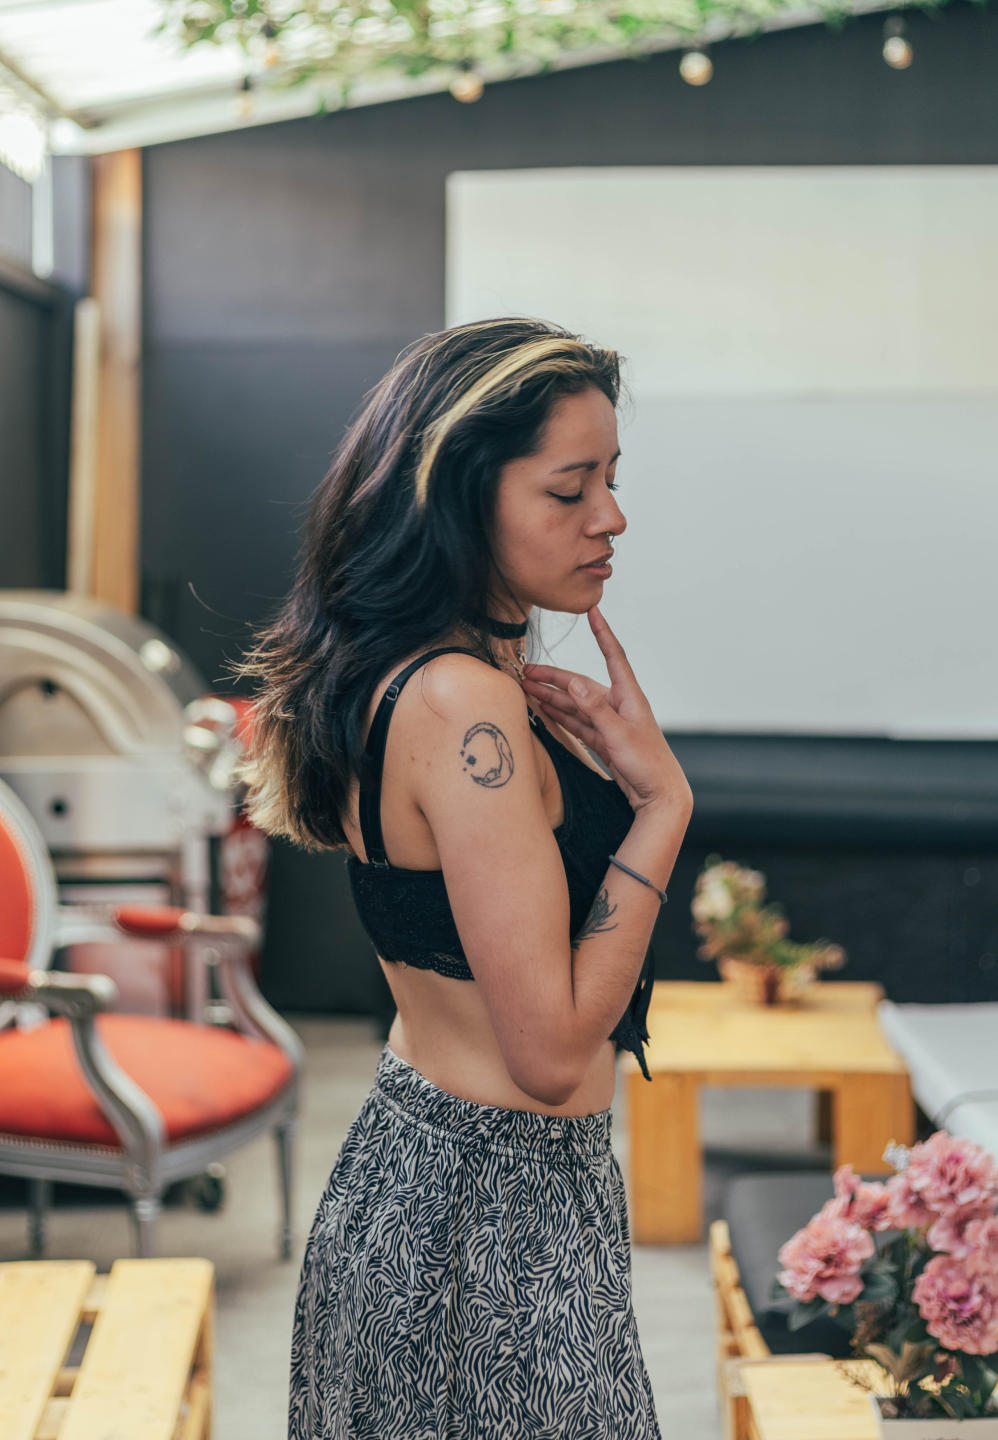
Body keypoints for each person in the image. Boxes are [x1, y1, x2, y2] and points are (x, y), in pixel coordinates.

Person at [234, 317, 694, 1439]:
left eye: (612, 479)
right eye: (568, 488)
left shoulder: (440, 676)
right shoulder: (459, 700)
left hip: (451, 1180)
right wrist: (661, 810)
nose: (610, 517)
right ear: (460, 498)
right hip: (487, 1218)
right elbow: (549, 1054)